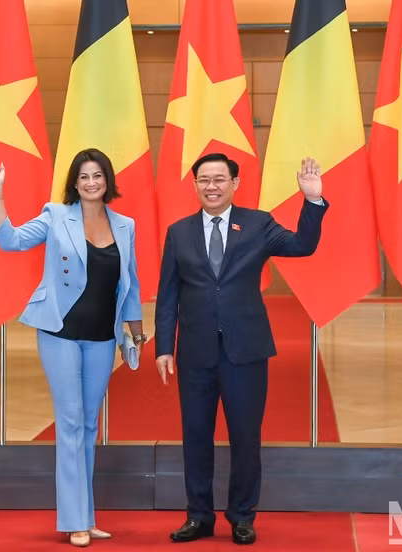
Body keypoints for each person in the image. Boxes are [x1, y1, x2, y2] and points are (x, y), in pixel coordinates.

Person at [155, 152, 328, 545]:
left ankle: (242, 516)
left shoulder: (257, 224)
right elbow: (168, 296)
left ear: (235, 183)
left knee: (245, 436)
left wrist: (312, 201)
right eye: (204, 180)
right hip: (195, 353)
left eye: (219, 179)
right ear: (195, 184)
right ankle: (198, 515)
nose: (211, 186)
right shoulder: (178, 232)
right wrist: (165, 346)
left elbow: (303, 245)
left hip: (245, 351)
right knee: (195, 435)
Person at [0, 149, 146, 548]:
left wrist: (137, 332)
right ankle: (74, 519)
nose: (91, 182)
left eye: (98, 176)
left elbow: (131, 282)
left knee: (90, 425)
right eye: (84, 176)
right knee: (71, 421)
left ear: (108, 180)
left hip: (103, 336)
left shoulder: (125, 225)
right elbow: (11, 241)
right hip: (59, 331)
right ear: (74, 182)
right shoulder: (56, 216)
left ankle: (86, 517)